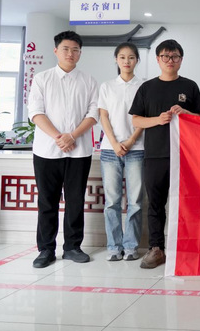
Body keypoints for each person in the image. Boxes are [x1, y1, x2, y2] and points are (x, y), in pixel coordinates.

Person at [129, 39, 200, 269]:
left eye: (175, 57)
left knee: (186, 203)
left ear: (181, 60)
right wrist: (158, 119)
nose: (170, 60)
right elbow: (136, 120)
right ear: (158, 59)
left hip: (185, 156)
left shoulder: (190, 86)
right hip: (155, 155)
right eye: (165, 56)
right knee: (156, 204)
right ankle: (157, 249)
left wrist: (186, 113)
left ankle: (186, 247)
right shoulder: (147, 88)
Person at [27, 31, 99, 268]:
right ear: (56, 51)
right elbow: (36, 113)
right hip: (47, 151)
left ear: (80, 53)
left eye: (75, 50)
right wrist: (59, 137)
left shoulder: (89, 81)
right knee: (47, 201)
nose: (71, 53)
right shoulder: (42, 79)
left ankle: (72, 247)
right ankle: (46, 249)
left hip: (79, 152)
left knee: (75, 200)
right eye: (66, 49)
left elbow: (93, 113)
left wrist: (72, 136)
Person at [98, 42, 145, 262]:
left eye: (131, 57)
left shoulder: (144, 86)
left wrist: (131, 140)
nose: (127, 61)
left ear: (137, 60)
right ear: (116, 60)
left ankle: (131, 246)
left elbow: (145, 118)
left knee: (135, 201)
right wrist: (115, 143)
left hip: (137, 149)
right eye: (122, 57)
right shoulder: (107, 86)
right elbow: (104, 116)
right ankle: (114, 247)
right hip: (110, 150)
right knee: (112, 202)